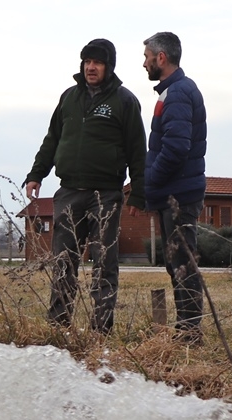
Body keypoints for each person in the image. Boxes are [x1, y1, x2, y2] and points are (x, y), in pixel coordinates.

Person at [24, 39, 146, 335]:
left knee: (105, 263)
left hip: (105, 194)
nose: (91, 67)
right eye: (87, 61)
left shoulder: (124, 101)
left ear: (109, 66)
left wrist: (139, 192)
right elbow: (52, 138)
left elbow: (138, 150)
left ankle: (100, 329)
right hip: (69, 192)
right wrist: (36, 173)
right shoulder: (69, 98)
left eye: (98, 62)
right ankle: (58, 326)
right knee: (63, 261)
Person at [128, 31, 207, 344]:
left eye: (147, 56)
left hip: (178, 195)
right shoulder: (172, 92)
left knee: (182, 264)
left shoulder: (177, 94)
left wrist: (150, 184)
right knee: (176, 263)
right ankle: (186, 330)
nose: (144, 63)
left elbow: (175, 149)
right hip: (174, 193)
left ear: (161, 58)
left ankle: (189, 334)